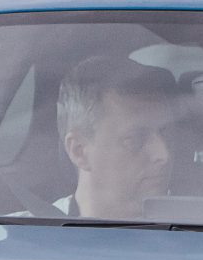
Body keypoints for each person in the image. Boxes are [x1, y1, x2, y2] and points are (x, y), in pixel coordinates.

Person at [55, 55, 179, 219]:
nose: (163, 155)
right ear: (79, 151)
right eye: (134, 140)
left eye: (165, 132)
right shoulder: (18, 235)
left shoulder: (201, 235)